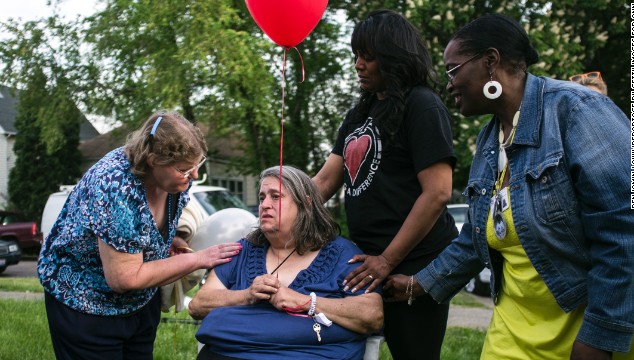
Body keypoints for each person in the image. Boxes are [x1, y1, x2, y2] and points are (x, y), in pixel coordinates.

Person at [384, 13, 634, 360]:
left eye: (453, 70)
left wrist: (600, 336)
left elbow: (626, 230)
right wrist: (420, 284)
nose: (448, 84)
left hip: (586, 330)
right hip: (514, 330)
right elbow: (476, 238)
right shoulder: (489, 141)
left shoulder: (578, 110)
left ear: (490, 61)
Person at [38, 111, 242, 360]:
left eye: (197, 166)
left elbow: (147, 232)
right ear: (154, 160)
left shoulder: (173, 180)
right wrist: (198, 259)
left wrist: (171, 240)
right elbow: (125, 279)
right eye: (184, 169)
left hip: (141, 304)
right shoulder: (114, 186)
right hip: (86, 305)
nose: (194, 176)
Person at [312, 9, 458, 360]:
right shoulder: (359, 113)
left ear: (393, 57)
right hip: (365, 262)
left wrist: (387, 261)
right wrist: (279, 211)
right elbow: (326, 180)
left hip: (414, 265)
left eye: (368, 56)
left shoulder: (421, 104)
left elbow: (438, 191)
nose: (358, 64)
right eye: (355, 56)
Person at [189, 165, 384, 360]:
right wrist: (247, 295)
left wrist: (304, 301)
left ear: (306, 204)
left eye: (275, 196)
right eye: (262, 197)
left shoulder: (343, 254)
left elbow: (372, 315)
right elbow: (198, 305)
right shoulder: (242, 251)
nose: (265, 204)